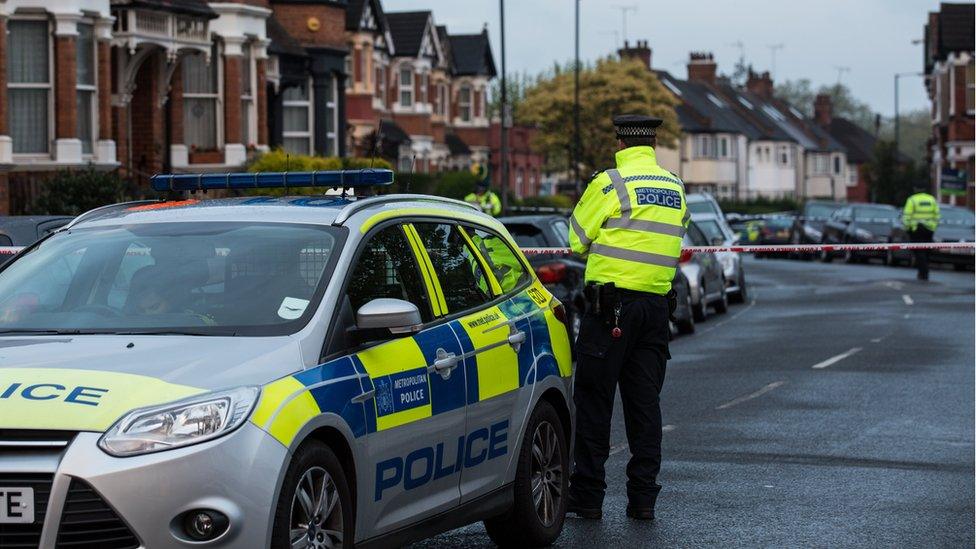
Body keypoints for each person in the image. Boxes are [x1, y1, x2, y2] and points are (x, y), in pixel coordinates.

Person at [566, 114, 688, 521]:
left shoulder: (610, 183)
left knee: (595, 401)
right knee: (644, 407)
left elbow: (576, 239)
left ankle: (587, 497)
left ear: (620, 143)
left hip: (610, 310)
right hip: (656, 311)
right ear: (651, 144)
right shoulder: (674, 185)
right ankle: (642, 500)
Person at [902, 185, 941, 281]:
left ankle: (923, 271)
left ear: (915, 189)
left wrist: (907, 228)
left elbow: (907, 215)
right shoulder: (931, 199)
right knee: (926, 251)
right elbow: (937, 215)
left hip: (916, 229)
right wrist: (933, 227)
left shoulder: (912, 200)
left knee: (919, 251)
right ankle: (923, 271)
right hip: (929, 229)